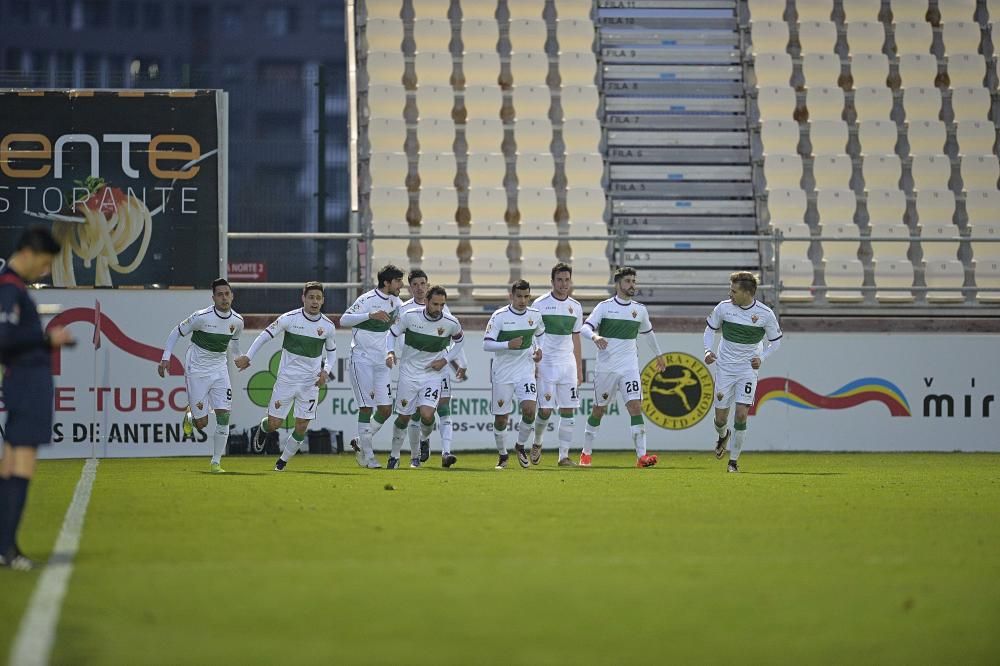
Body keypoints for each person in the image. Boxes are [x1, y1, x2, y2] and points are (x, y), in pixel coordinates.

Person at [0, 227, 75, 570]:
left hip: (22, 381)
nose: (45, 271)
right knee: (20, 464)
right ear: (28, 253)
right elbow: (4, 339)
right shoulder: (10, 289)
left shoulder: (10, 287)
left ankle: (5, 545)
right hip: (27, 383)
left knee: (10, 464)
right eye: (45, 263)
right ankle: (7, 550)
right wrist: (48, 342)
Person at [235, 282, 336, 471]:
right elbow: (264, 336)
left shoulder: (328, 326)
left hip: (310, 382)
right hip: (287, 380)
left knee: (301, 425)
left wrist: (326, 370)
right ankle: (263, 429)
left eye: (318, 298)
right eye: (311, 297)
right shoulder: (289, 319)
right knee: (275, 424)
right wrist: (248, 356)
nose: (315, 301)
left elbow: (331, 353)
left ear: (322, 301)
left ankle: (282, 462)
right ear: (303, 298)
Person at [580, 267, 665, 468]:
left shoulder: (640, 310)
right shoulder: (604, 307)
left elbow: (648, 333)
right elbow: (585, 327)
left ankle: (642, 457)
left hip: (629, 367)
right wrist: (595, 336)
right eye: (628, 281)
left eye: (634, 281)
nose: (632, 285)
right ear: (618, 284)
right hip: (606, 368)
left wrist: (659, 354)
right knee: (598, 410)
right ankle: (586, 452)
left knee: (636, 407)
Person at [159, 278, 244, 473]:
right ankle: (191, 416)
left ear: (232, 296)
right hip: (196, 369)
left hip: (220, 369)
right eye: (220, 294)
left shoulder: (237, 321)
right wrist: (166, 357)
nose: (224, 298)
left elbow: (235, 345)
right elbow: (176, 332)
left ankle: (216, 462)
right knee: (202, 424)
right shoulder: (201, 317)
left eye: (227, 294)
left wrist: (240, 358)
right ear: (213, 297)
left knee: (224, 415)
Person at [703, 271, 783, 473]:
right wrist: (707, 349)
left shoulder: (765, 314)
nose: (730, 294)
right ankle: (723, 435)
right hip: (725, 368)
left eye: (734, 291)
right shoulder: (723, 308)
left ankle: (733, 462)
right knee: (720, 419)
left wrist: (761, 357)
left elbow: (776, 342)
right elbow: (710, 329)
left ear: (748, 293)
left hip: (747, 370)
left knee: (741, 414)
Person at [383, 285, 465, 469]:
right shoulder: (410, 316)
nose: (438, 309)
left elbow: (460, 342)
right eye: (435, 304)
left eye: (442, 305)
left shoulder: (451, 322)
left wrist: (445, 360)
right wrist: (389, 352)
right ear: (426, 301)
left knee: (427, 415)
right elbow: (392, 334)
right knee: (404, 417)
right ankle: (394, 456)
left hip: (432, 375)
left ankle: (424, 438)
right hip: (408, 374)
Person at [339, 264, 404, 469]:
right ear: (387, 282)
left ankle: (359, 441)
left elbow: (398, 330)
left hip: (382, 361)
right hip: (362, 359)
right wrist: (370, 315)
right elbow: (343, 320)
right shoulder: (366, 300)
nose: (401, 285)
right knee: (366, 407)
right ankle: (368, 456)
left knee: (385, 410)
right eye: (398, 281)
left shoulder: (397, 302)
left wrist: (393, 352)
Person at [483, 280, 545, 470]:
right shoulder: (499, 316)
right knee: (501, 418)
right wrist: (507, 344)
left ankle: (520, 445)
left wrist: (539, 349)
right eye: (519, 296)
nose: (523, 300)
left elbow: (540, 333)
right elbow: (486, 344)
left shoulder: (535, 315)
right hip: (503, 372)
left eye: (526, 296)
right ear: (511, 296)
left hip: (525, 370)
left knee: (530, 410)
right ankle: (502, 455)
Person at [531, 263, 583, 466]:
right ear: (552, 281)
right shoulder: (540, 304)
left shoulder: (576, 307)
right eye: (559, 280)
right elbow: (532, 334)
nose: (563, 284)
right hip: (546, 363)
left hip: (567, 363)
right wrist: (534, 359)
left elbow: (576, 339)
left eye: (567, 280)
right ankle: (537, 442)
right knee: (545, 410)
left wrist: (579, 369)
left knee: (569, 409)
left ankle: (564, 456)